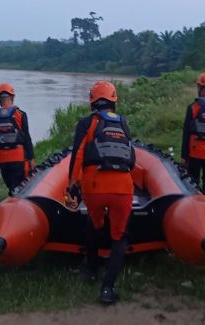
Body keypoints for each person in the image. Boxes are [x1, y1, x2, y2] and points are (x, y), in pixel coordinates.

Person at [66, 80, 135, 305]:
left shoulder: (87, 123)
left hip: (94, 186)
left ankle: (92, 268)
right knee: (119, 237)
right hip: (123, 186)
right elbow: (131, 158)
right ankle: (107, 288)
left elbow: (77, 155)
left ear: (92, 101)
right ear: (114, 100)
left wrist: (72, 184)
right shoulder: (123, 123)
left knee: (94, 224)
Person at [0, 83, 35, 194]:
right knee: (20, 188)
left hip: (2, 158)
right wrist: (31, 159)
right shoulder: (20, 114)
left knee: (10, 186)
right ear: (12, 97)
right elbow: (27, 138)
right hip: (18, 157)